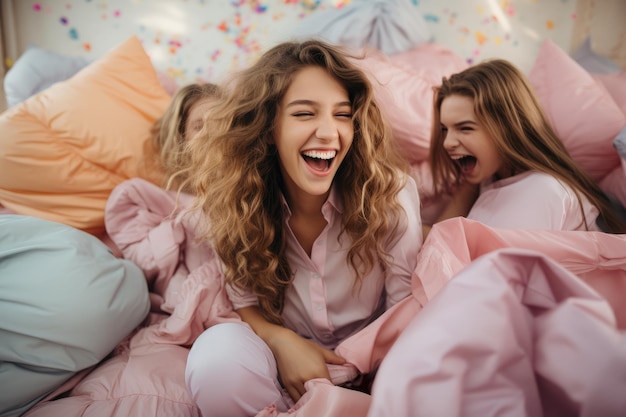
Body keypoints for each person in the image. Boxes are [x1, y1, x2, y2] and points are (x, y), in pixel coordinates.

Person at [181, 39, 423, 417]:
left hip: (376, 362)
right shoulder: (230, 200)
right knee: (216, 355)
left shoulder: (390, 195)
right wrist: (283, 341)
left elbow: (404, 314)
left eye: (342, 115)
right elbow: (245, 302)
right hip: (282, 366)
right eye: (305, 114)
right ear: (267, 126)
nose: (329, 133)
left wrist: (361, 373)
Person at [424, 58, 626, 237]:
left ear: (507, 127)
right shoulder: (491, 178)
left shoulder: (543, 191)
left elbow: (451, 252)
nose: (447, 143)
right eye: (444, 129)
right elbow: (440, 237)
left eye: (465, 128)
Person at [151, 82, 220, 191]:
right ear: (182, 134)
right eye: (199, 127)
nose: (212, 135)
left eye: (221, 123)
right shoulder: (157, 190)